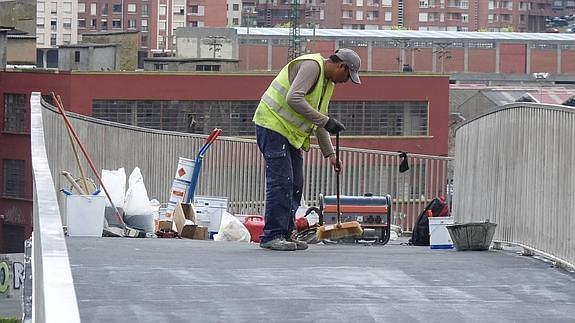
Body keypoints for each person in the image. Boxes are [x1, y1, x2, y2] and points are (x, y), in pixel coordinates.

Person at [253, 48, 362, 251]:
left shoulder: (327, 83)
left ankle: (285, 233)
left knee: (295, 184)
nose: (345, 81)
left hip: (290, 134)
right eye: (347, 76)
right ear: (341, 66)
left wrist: (330, 153)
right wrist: (326, 121)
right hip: (272, 126)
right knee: (281, 182)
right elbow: (293, 98)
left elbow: (319, 120)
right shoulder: (312, 66)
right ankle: (272, 235)